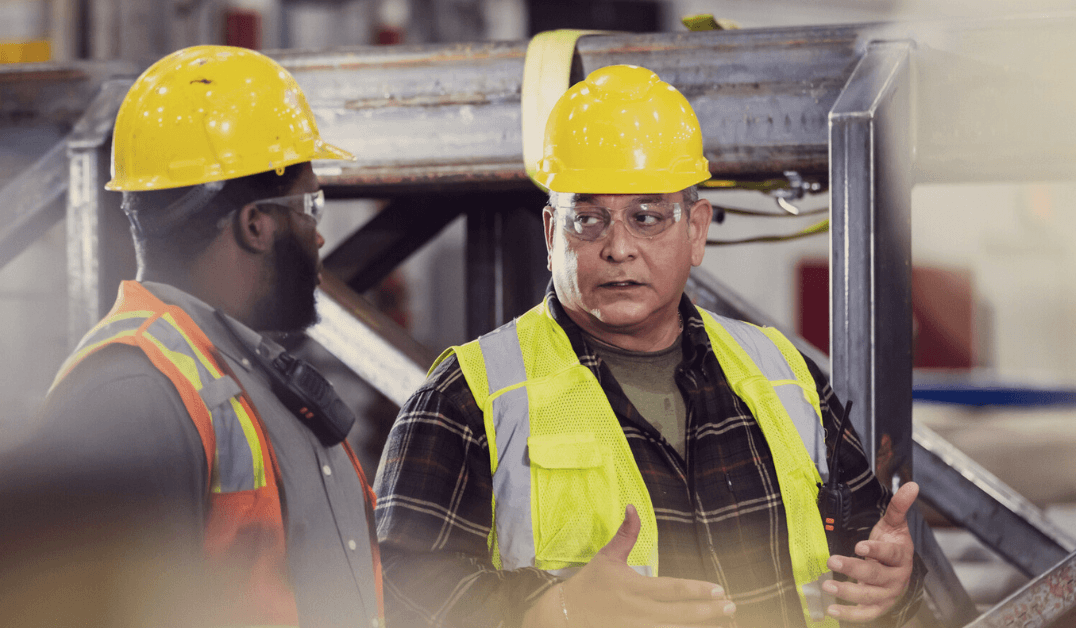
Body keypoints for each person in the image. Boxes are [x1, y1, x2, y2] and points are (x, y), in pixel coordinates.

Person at [373, 64, 925, 628]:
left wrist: (892, 584)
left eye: (646, 217)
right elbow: (395, 589)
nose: (618, 248)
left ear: (696, 230)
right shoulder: (467, 398)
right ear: (551, 234)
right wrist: (551, 610)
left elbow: (862, 555)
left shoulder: (784, 373)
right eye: (587, 219)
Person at [30, 46, 383, 628]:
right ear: (256, 224)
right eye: (310, 206)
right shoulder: (132, 395)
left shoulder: (237, 378)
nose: (318, 236)